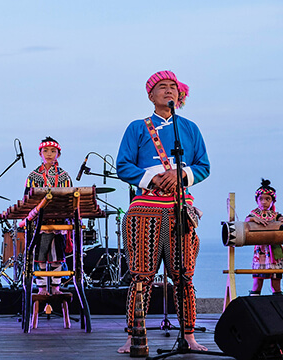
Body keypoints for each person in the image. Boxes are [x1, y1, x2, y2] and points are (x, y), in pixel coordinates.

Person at [116, 70, 210, 353]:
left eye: (173, 87)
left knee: (183, 275)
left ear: (180, 94)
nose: (169, 91)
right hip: (146, 207)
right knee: (142, 275)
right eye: (162, 87)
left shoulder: (189, 129)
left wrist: (181, 174)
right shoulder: (137, 127)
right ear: (150, 95)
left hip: (180, 207)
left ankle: (189, 336)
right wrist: (154, 178)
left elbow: (203, 166)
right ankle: (134, 336)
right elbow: (123, 165)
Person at [25, 137, 72, 295]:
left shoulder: (64, 176)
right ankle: (42, 288)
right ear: (40, 153)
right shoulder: (33, 176)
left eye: (53, 151)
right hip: (40, 222)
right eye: (46, 151)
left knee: (57, 255)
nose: (49, 154)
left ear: (59, 154)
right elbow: (28, 198)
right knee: (40, 256)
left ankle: (56, 287)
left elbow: (69, 199)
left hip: (59, 222)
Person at [247, 179, 283, 296]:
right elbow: (247, 220)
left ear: (273, 201)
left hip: (275, 251)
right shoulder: (254, 214)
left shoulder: (276, 215)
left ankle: (278, 307)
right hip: (261, 252)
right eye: (261, 199)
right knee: (258, 280)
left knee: (276, 282)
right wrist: (253, 219)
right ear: (257, 200)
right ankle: (254, 305)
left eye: (268, 199)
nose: (264, 202)